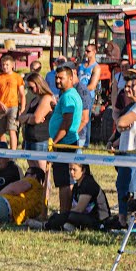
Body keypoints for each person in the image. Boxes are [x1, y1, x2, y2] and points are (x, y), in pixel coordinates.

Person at [51, 66, 85, 214]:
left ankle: (64, 214)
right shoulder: (67, 95)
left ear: (71, 78)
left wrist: (55, 141)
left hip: (65, 142)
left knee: (64, 181)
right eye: (56, 77)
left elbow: (67, 122)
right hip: (66, 141)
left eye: (61, 78)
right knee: (64, 181)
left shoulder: (69, 96)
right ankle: (64, 212)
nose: (58, 80)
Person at [113, 73, 136, 228]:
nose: (133, 89)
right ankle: (122, 220)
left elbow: (122, 122)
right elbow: (122, 127)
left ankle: (133, 221)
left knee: (131, 188)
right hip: (125, 150)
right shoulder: (132, 106)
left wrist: (120, 123)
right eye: (132, 86)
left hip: (134, 152)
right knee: (121, 185)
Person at [44, 163, 112, 231]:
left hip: (99, 221)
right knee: (64, 217)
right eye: (70, 169)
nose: (71, 172)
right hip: (85, 217)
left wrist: (61, 216)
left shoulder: (88, 184)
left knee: (70, 216)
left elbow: (79, 209)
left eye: (74, 170)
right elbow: (74, 208)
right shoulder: (76, 186)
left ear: (83, 170)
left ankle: (49, 225)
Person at [18, 73, 55, 173]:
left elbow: (37, 119)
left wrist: (29, 118)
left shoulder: (47, 98)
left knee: (41, 171)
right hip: (29, 139)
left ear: (39, 84)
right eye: (28, 88)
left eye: (31, 87)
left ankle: (45, 189)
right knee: (33, 171)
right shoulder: (34, 100)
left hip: (40, 139)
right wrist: (29, 117)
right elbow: (20, 118)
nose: (30, 90)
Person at [0, 55, 25, 152]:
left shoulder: (17, 77)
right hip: (0, 107)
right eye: (3, 65)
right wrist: (0, 103)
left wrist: (22, 109)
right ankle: (4, 150)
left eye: (7, 64)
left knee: (12, 129)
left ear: (12, 65)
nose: (5, 67)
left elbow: (22, 94)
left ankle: (13, 153)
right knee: (0, 131)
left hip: (13, 106)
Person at [76, 44, 101, 147]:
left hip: (87, 95)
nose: (86, 53)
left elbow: (92, 85)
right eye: (85, 51)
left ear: (94, 52)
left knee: (86, 118)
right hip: (77, 93)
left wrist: (80, 90)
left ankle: (85, 142)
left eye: (88, 51)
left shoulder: (96, 67)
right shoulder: (81, 65)